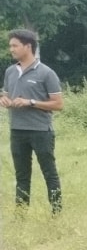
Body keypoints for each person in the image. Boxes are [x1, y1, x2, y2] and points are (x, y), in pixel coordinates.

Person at [1, 29, 64, 213]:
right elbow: (6, 94)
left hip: (40, 131)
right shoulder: (10, 72)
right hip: (17, 131)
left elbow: (58, 104)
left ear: (28, 47)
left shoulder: (46, 73)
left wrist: (31, 102)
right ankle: (21, 214)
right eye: (10, 45)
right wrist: (3, 99)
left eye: (15, 45)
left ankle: (57, 212)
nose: (10, 49)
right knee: (21, 175)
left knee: (49, 173)